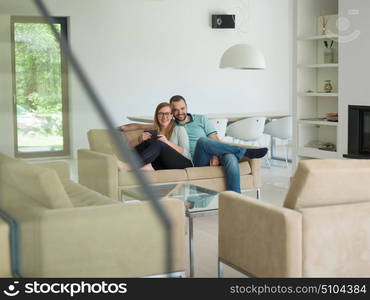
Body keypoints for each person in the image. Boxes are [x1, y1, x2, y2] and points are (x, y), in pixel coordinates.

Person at [169, 95, 268, 193]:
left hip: (212, 153)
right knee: (202, 141)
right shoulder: (171, 126)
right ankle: (244, 151)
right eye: (175, 110)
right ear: (171, 111)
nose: (180, 112)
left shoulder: (201, 119)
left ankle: (235, 198)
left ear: (186, 106)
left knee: (230, 157)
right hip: (196, 160)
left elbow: (214, 139)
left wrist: (216, 155)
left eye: (182, 108)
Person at [120, 102, 193, 170]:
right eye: (161, 114)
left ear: (171, 116)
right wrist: (140, 139)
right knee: (145, 143)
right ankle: (142, 166)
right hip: (162, 164)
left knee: (159, 143)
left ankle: (129, 167)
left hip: (184, 164)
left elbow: (186, 153)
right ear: (157, 116)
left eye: (167, 114)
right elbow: (130, 146)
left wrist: (167, 142)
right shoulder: (153, 130)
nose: (164, 117)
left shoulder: (179, 129)